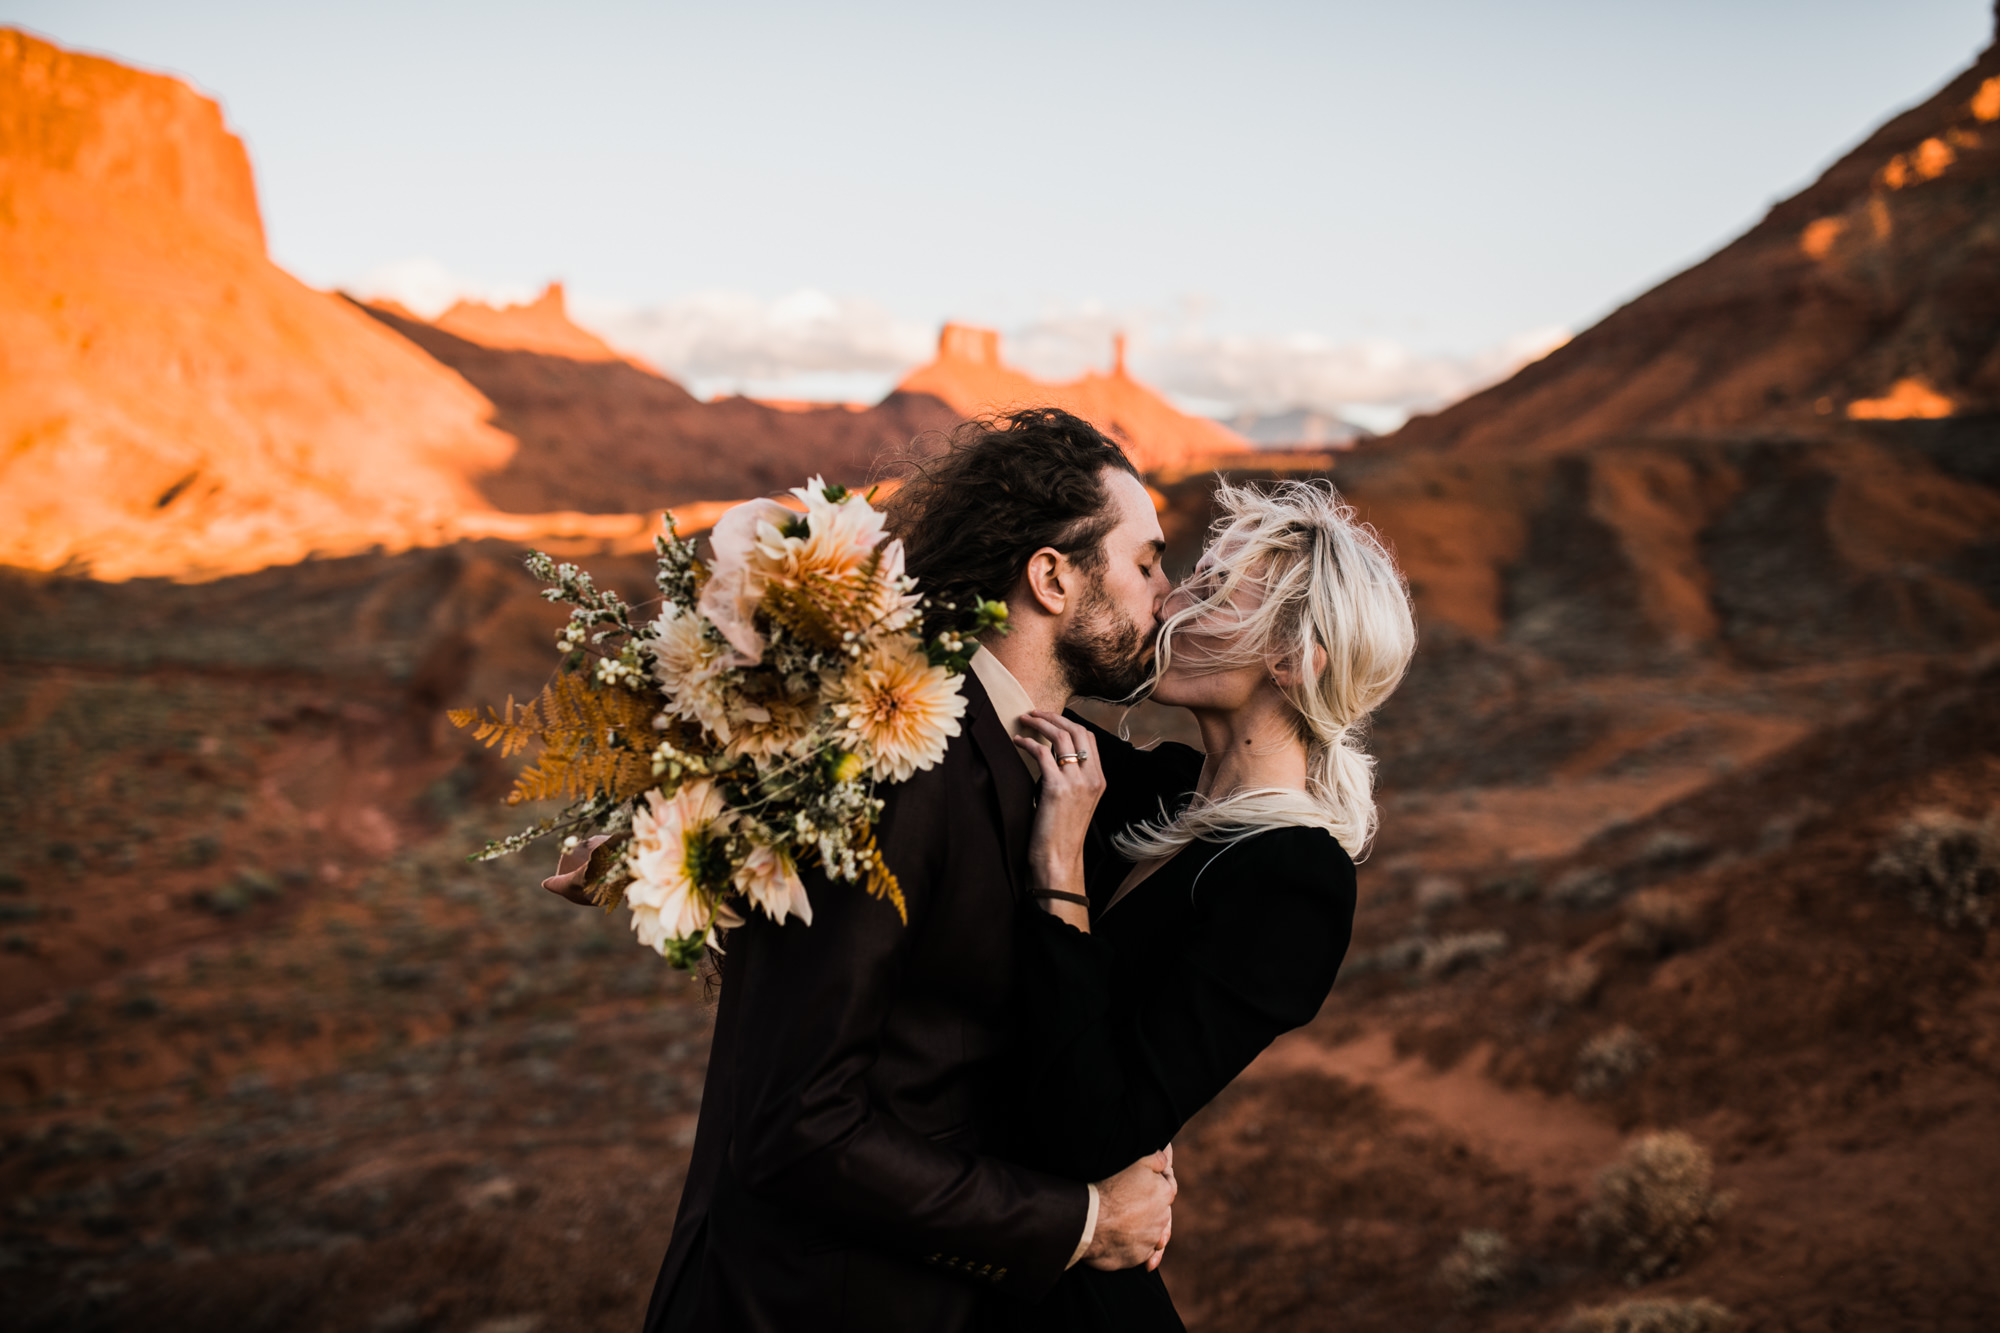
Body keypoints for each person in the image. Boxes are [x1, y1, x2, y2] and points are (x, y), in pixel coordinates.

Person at [635, 408, 1181, 1332]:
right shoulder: (898, 758)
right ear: (1052, 577)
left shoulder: (1042, 755)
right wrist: (1081, 1223)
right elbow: (794, 1124)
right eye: (1147, 563)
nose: (1169, 594)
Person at [999, 478, 1418, 1331]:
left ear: (1295, 660)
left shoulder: (1296, 883)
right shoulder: (1146, 790)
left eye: (1217, 592)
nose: (1172, 600)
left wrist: (1059, 869)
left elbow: (1095, 1129)